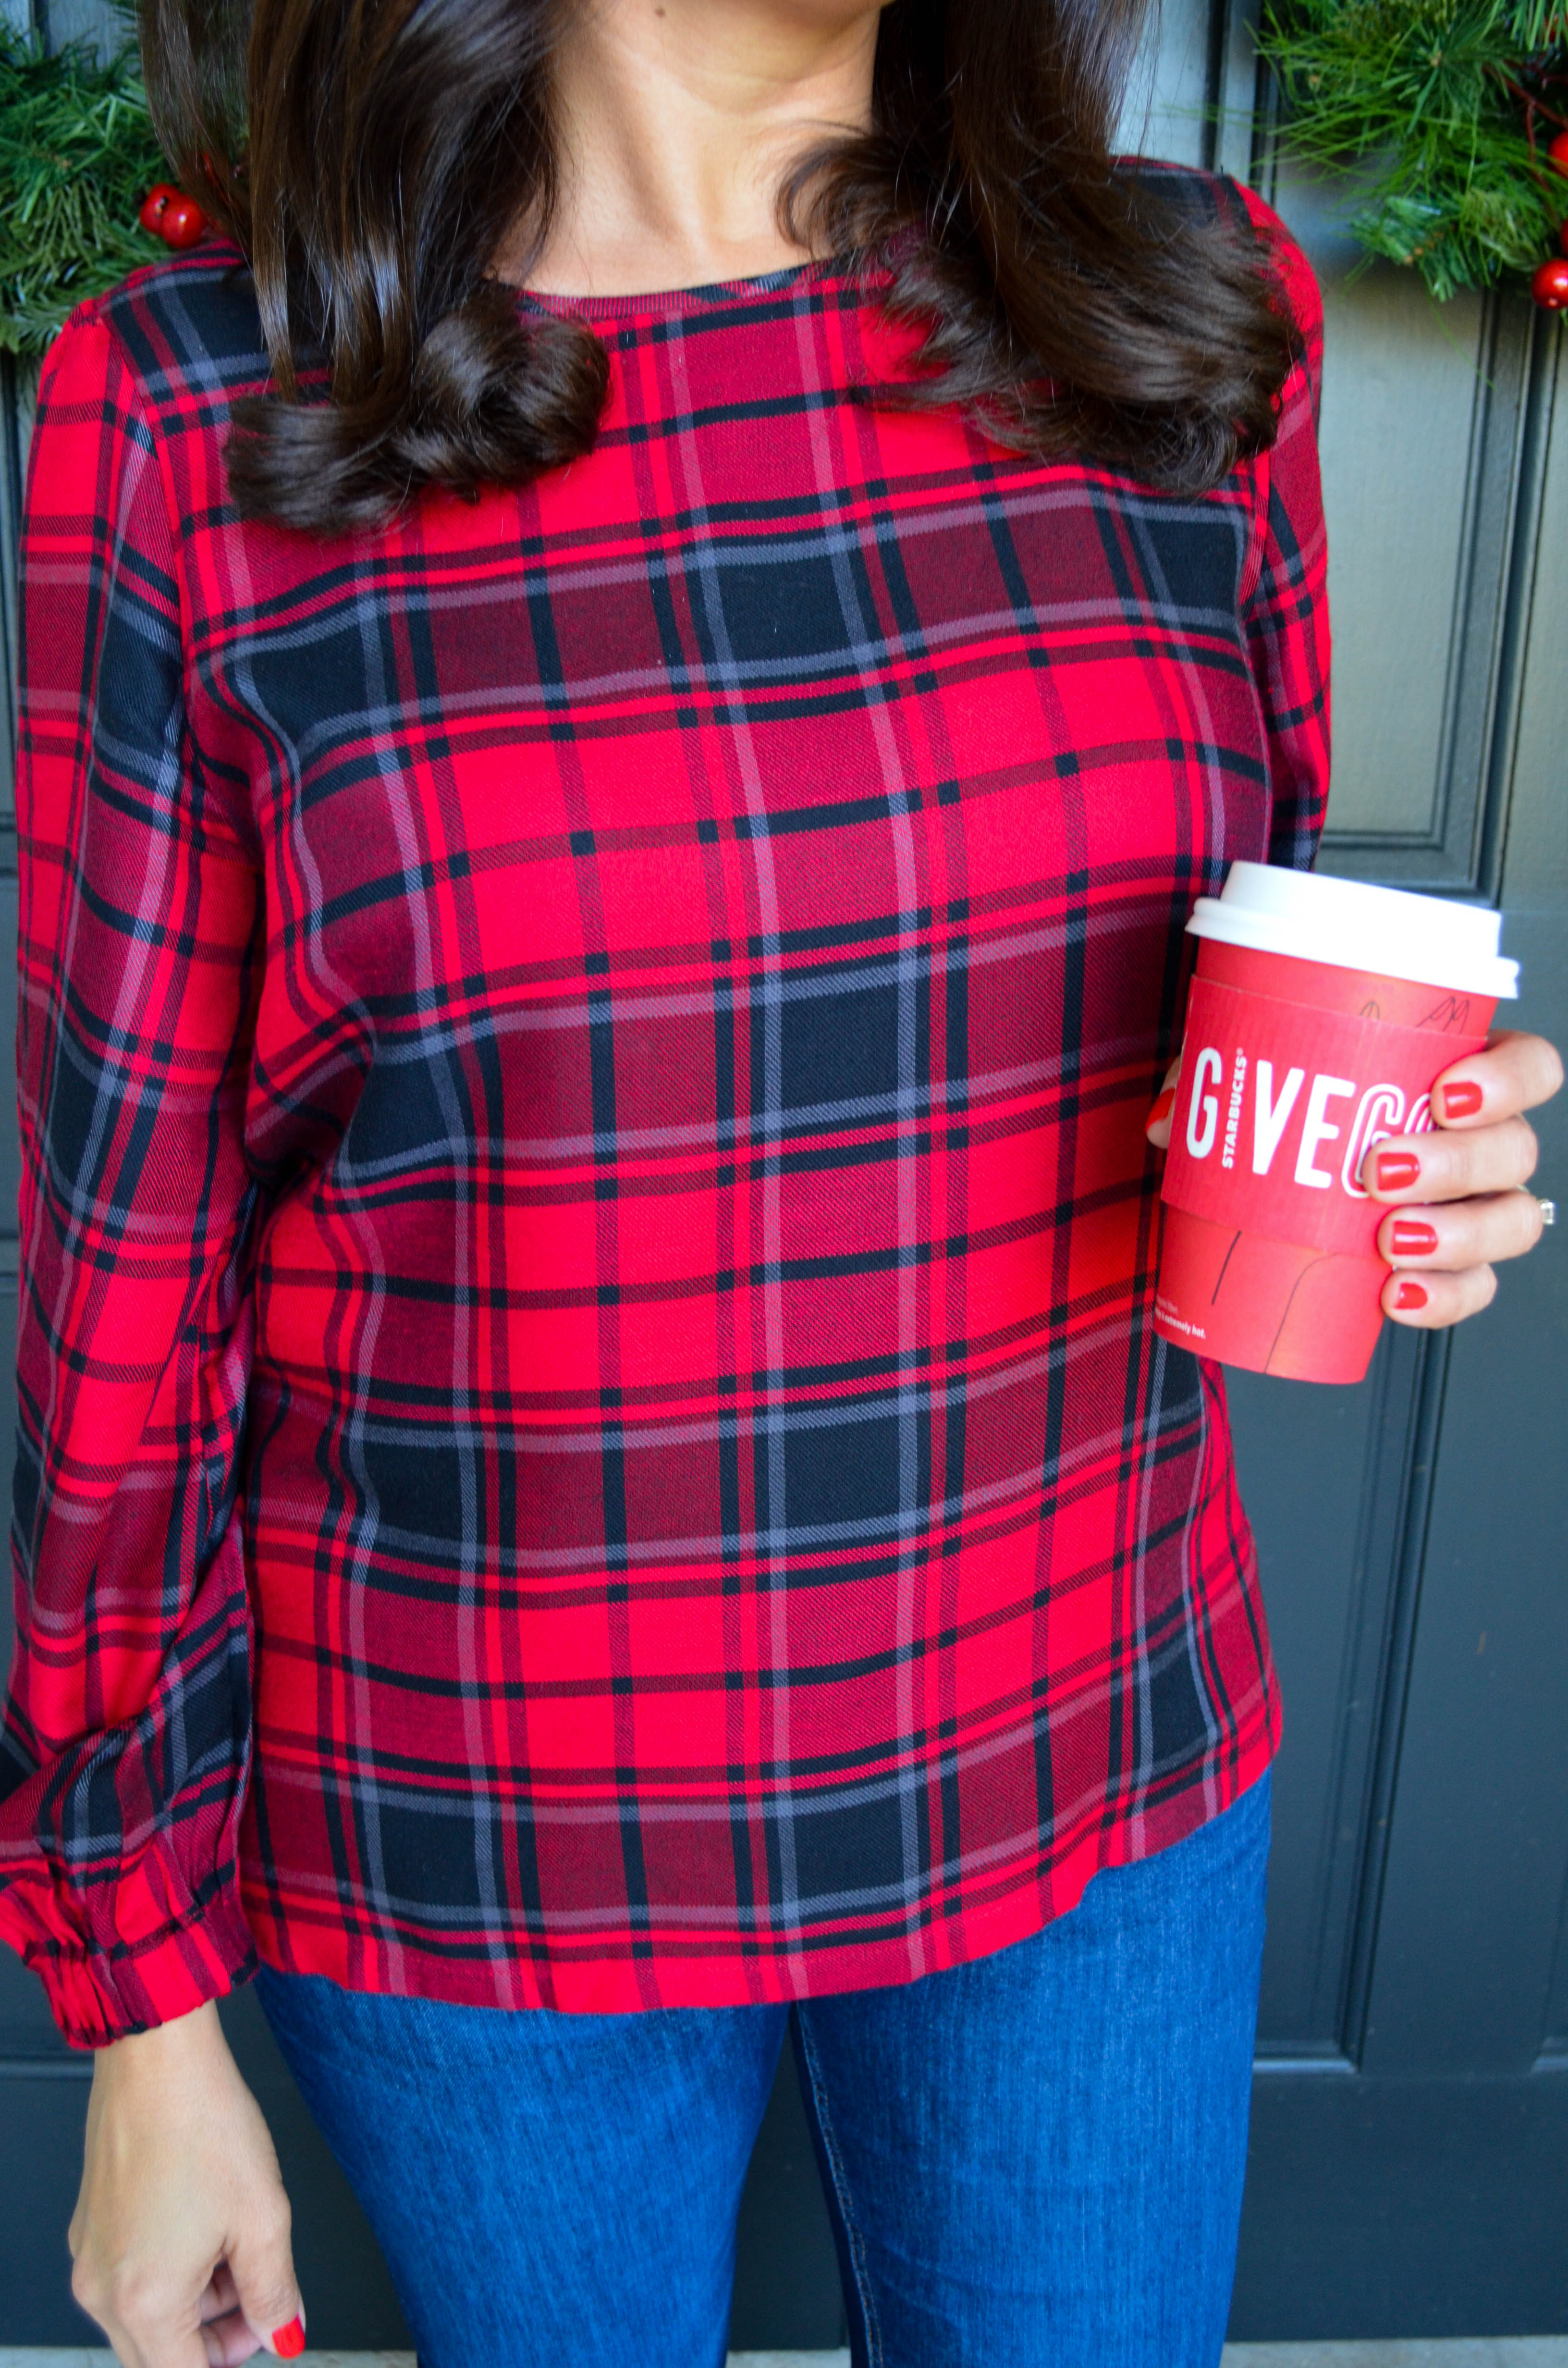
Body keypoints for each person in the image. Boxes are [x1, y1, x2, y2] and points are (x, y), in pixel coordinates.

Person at [0, 3, 1560, 2365]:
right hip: (482, 1814)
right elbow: (119, 1265)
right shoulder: (195, 409)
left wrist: (1401, 1166)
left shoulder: (1180, 302)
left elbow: (1244, 971)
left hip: (1088, 1729)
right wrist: (137, 2002)